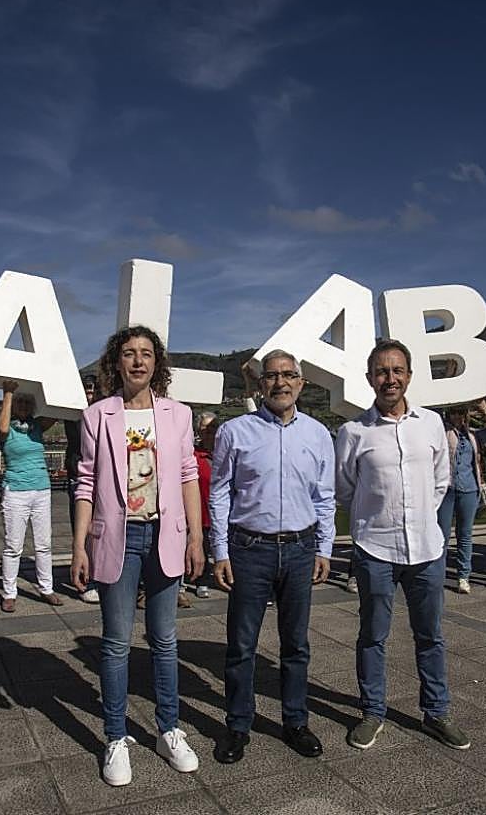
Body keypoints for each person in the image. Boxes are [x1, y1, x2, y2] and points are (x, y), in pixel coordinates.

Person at [71, 325, 205, 786]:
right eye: (129, 353)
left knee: (165, 641)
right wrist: (79, 545)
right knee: (116, 642)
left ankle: (168, 728)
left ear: (157, 363)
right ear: (117, 362)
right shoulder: (97, 416)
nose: (138, 361)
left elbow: (189, 474)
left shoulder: (178, 415)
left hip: (164, 536)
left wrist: (196, 537)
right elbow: (85, 482)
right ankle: (115, 736)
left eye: (146, 354)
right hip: (117, 539)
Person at [335, 338, 469, 752]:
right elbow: (344, 488)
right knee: (373, 635)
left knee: (429, 635)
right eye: (381, 371)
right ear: (369, 378)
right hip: (375, 548)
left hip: (427, 549)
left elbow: (440, 479)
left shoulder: (430, 424)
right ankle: (373, 712)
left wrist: (420, 519)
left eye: (397, 371)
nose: (389, 379)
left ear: (409, 376)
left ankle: (436, 713)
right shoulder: (353, 431)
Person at [210, 349, 335, 764]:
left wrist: (324, 548)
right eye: (271, 376)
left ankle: (295, 722)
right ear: (259, 383)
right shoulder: (235, 431)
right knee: (242, 646)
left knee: (295, 644)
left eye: (288, 375)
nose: (280, 383)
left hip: (301, 549)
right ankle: (237, 726)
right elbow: (220, 492)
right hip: (250, 549)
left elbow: (325, 497)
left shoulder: (318, 434)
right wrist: (220, 551)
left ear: (301, 382)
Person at [0, 380, 62, 612]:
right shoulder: (6, 428)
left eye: (27, 402)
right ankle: (9, 592)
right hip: (16, 491)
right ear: (13, 405)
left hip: (41, 489)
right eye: (19, 402)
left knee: (44, 544)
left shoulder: (36, 426)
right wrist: (8, 393)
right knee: (13, 546)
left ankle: (47, 588)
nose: (23, 406)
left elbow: (57, 411)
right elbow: (3, 428)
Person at [439, 401, 486, 593]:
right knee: (442, 535)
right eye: (453, 412)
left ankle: (463, 576)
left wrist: (484, 409)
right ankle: (437, 574)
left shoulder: (473, 434)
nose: (457, 416)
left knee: (465, 535)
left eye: (460, 412)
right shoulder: (442, 430)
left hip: (469, 488)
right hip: (446, 487)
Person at [64, 375, 101, 605]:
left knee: (100, 532)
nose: (90, 393)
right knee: (82, 530)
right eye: (86, 389)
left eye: (93, 389)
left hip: (102, 478)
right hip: (79, 476)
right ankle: (87, 580)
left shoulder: (104, 412)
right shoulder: (74, 413)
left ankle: (100, 576)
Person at [193, 414, 218, 599]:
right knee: (201, 547)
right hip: (200, 511)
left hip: (220, 512)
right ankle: (200, 581)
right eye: (206, 429)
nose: (210, 433)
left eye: (213, 428)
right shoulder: (194, 455)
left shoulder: (224, 453)